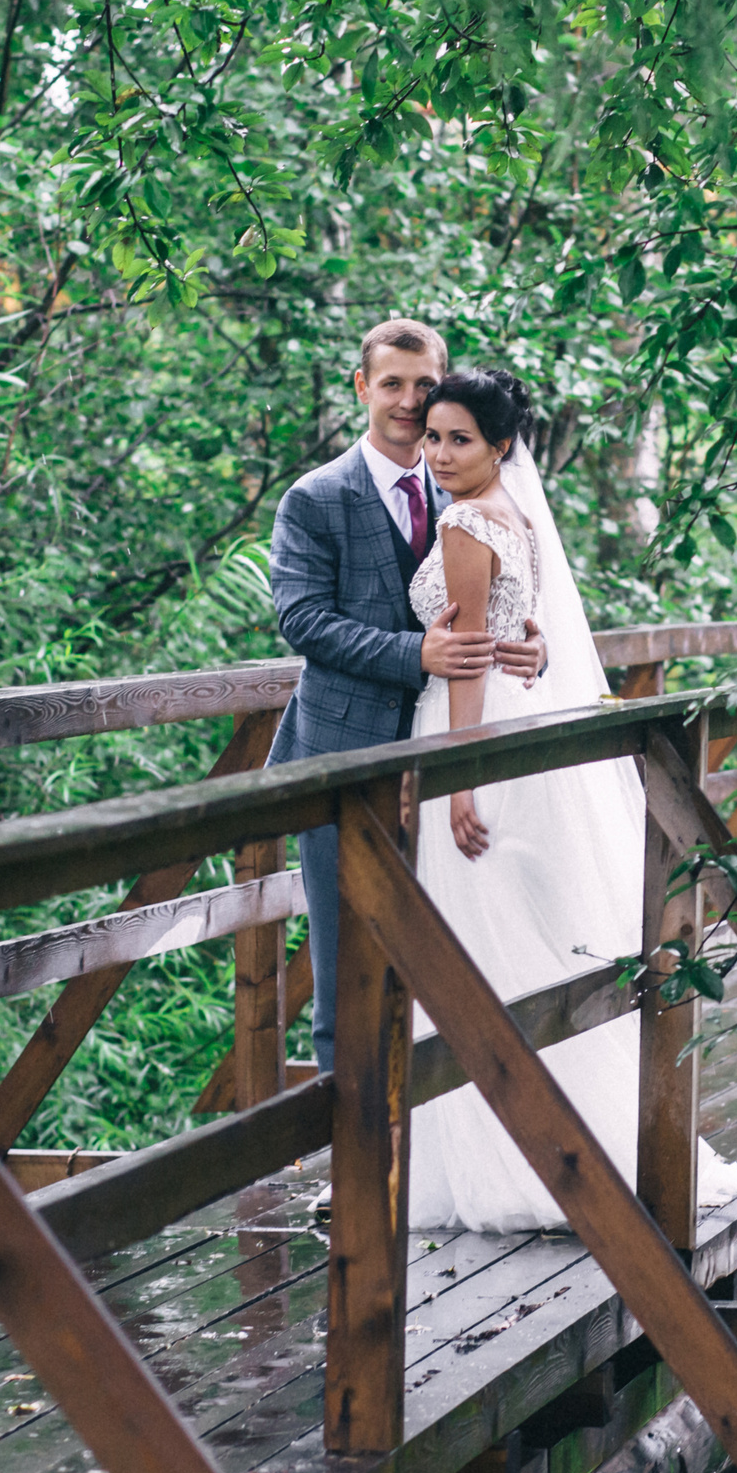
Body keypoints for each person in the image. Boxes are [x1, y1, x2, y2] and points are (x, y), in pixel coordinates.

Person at [401, 368, 737, 1232]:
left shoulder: (463, 521)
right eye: (434, 437)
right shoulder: (517, 516)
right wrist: (513, 652)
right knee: (519, 939)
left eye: (460, 439)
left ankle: (509, 1157)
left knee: (472, 945)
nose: (441, 454)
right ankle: (573, 1137)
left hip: (477, 739)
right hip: (521, 730)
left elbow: (462, 659)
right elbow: (520, 637)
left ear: (500, 446)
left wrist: (459, 778)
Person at [266, 319, 544, 1073]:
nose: (410, 402)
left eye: (426, 385)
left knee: (453, 949)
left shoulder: (466, 480)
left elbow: (508, 601)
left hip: (445, 754)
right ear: (363, 387)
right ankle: (347, 1175)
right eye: (393, 383)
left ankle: (438, 1149)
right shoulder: (315, 498)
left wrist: (536, 644)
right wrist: (413, 651)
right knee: (346, 958)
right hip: (341, 756)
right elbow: (301, 618)